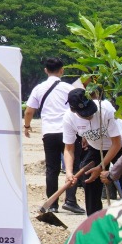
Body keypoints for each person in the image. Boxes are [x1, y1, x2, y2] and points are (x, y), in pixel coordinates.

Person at [23, 58, 78, 213]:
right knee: (72, 166)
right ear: (62, 70)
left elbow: (29, 111)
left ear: (46, 70)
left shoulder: (39, 88)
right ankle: (70, 201)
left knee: (51, 169)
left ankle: (53, 204)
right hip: (68, 131)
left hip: (49, 132)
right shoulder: (69, 88)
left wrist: (27, 126)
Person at [61, 86, 122, 218]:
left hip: (121, 145)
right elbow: (69, 148)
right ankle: (94, 222)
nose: (89, 116)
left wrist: (100, 167)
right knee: (89, 180)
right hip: (97, 148)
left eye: (90, 112)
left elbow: (116, 143)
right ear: (74, 110)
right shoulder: (69, 118)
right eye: (85, 114)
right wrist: (69, 172)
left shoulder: (105, 109)